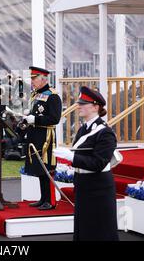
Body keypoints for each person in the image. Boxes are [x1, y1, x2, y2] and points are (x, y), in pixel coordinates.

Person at [54, 86, 119, 241]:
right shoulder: (84, 129)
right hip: (84, 185)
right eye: (79, 102)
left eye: (83, 103)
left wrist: (72, 157)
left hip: (99, 189)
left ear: (95, 106)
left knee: (100, 232)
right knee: (84, 230)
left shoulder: (105, 132)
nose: (79, 106)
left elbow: (99, 163)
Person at [19, 66, 62, 210]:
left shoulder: (53, 95)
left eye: (34, 79)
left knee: (46, 166)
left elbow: (55, 118)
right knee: (38, 167)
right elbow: (33, 114)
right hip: (34, 134)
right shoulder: (34, 95)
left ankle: (50, 200)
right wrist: (26, 119)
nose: (32, 82)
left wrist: (35, 120)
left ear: (43, 79)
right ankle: (43, 198)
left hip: (46, 136)